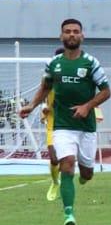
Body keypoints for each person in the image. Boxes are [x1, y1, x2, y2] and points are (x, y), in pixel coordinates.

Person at [19, 19, 110, 225]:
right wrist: (32, 105)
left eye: (75, 32)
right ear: (61, 36)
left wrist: (87, 106)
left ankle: (84, 177)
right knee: (67, 163)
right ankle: (68, 213)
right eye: (67, 32)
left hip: (86, 128)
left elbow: (106, 91)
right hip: (62, 125)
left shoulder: (90, 63)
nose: (71, 35)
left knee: (86, 173)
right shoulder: (54, 64)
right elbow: (45, 87)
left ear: (82, 36)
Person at [40, 47, 63, 201]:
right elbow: (42, 95)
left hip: (71, 121)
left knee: (69, 159)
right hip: (53, 121)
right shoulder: (49, 77)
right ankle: (55, 182)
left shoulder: (75, 77)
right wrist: (44, 107)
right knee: (54, 157)